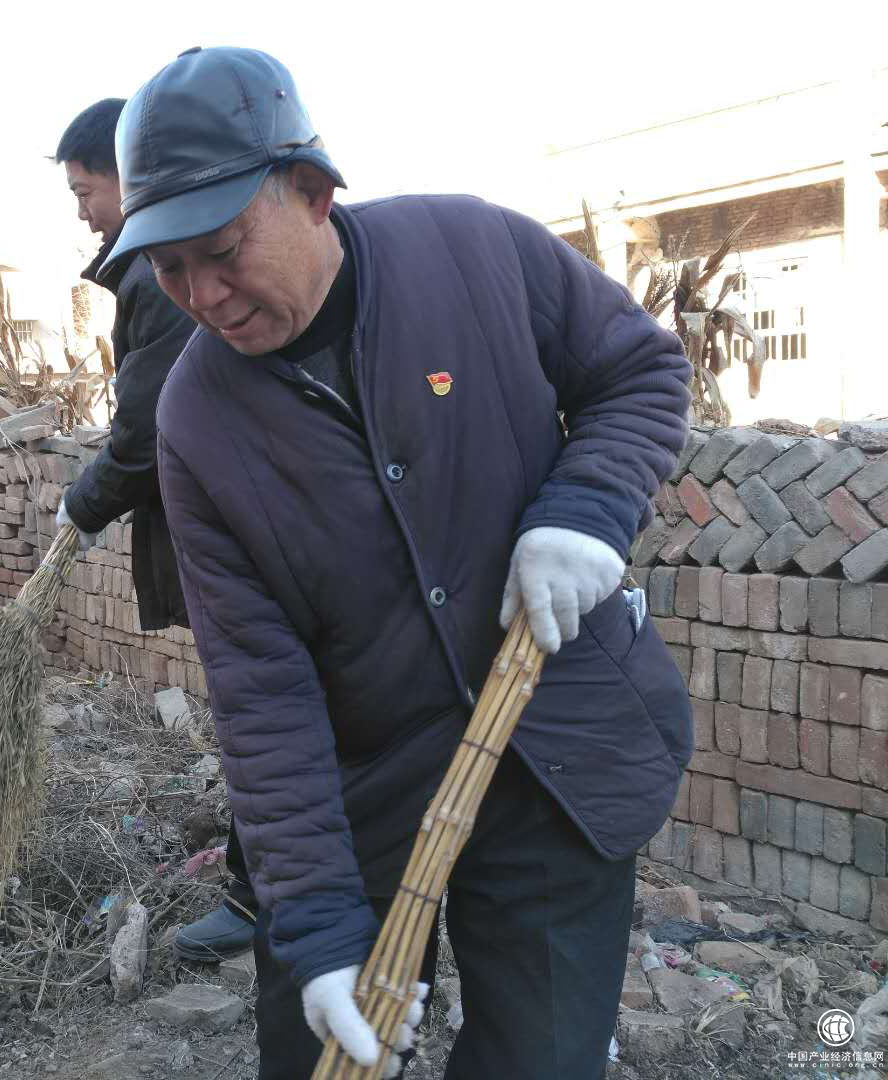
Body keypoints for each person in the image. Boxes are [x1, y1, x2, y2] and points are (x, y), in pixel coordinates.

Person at [101, 46, 694, 1080]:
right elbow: (260, 692)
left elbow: (637, 369)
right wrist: (324, 930)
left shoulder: (471, 252)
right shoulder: (198, 423)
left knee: (545, 1060)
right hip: (364, 780)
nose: (203, 294)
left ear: (314, 192)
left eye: (224, 249)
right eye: (169, 267)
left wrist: (587, 512)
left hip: (556, 735)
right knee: (320, 1047)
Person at [52, 100, 258, 960]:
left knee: (260, 707)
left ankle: (263, 902)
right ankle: (269, 883)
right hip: (231, 516)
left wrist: (85, 503)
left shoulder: (160, 273)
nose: (81, 213)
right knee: (261, 706)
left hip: (234, 527)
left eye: (84, 190)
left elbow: (148, 428)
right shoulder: (153, 271)